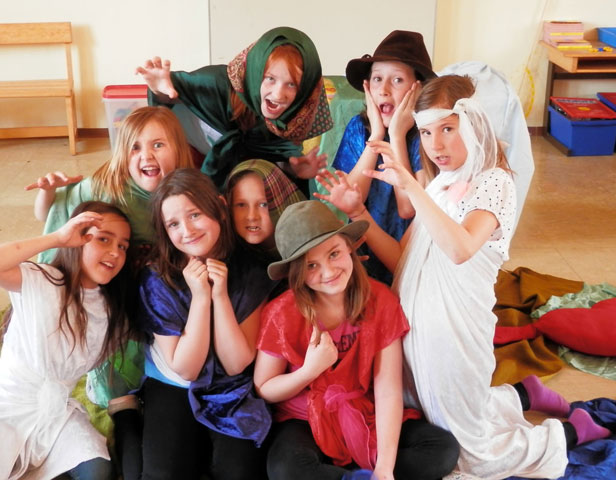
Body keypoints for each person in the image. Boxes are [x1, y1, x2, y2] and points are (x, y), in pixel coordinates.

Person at [316, 75, 612, 479]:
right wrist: (358, 214)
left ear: (474, 124)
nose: (435, 145)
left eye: (448, 129)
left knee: (472, 456)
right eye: (426, 132)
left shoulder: (495, 182)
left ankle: (568, 433)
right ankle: (523, 395)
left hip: (454, 335)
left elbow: (460, 249)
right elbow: (404, 259)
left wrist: (412, 185)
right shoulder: (441, 183)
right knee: (435, 417)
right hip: (414, 330)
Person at [254, 200, 460, 480]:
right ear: (297, 274)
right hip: (307, 418)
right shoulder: (280, 313)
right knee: (286, 470)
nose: (328, 272)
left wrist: (385, 467)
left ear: (349, 248)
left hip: (367, 411)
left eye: (334, 254)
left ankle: (362, 472)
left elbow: (388, 389)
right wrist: (309, 371)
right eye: (311, 265)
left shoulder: (382, 301)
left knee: (442, 450)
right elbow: (265, 387)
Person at [113, 168, 275, 480]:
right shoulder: (156, 278)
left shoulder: (251, 268)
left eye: (195, 215)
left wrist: (220, 296)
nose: (187, 230)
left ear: (220, 208)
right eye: (173, 224)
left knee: (239, 472)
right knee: (163, 475)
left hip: (230, 385)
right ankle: (126, 416)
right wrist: (201, 298)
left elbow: (236, 363)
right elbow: (185, 369)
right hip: (174, 381)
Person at [0, 201, 135, 480]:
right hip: (5, 407)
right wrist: (58, 238)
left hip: (56, 414)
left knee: (97, 468)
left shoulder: (110, 309)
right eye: (103, 239)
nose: (115, 252)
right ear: (78, 239)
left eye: (123, 246)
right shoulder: (44, 279)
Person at [136, 26, 333, 191]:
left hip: (232, 176)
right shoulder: (217, 83)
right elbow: (170, 98)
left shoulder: (291, 120)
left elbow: (270, 158)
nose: (278, 94)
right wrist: (159, 89)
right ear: (255, 72)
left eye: (291, 85)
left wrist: (293, 170)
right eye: (270, 79)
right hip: (179, 160)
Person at [26, 105, 195, 266]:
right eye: (135, 147)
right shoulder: (103, 189)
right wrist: (48, 191)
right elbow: (47, 215)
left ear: (178, 149)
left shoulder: (191, 193)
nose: (146, 155)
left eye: (158, 145)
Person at [331, 30, 435, 284]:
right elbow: (351, 197)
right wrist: (377, 136)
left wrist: (397, 136)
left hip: (409, 253)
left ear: (418, 89)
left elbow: (408, 208)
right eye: (377, 79)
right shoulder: (359, 128)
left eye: (397, 80)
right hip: (364, 247)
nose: (384, 90)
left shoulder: (425, 135)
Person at [225, 158, 306, 264]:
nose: (251, 216)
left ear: (281, 202)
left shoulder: (310, 242)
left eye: (263, 204)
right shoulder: (232, 258)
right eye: (241, 205)